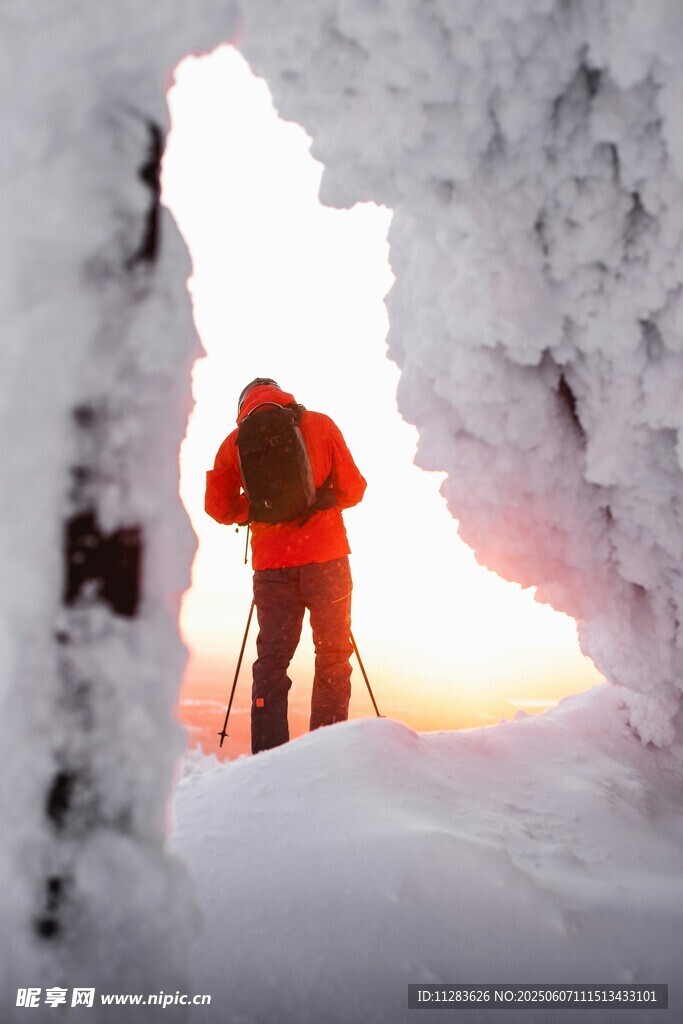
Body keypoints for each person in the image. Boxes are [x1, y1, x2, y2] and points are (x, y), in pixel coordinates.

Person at [205, 378, 367, 754]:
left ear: (244, 406)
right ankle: (325, 749)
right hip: (326, 560)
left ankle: (269, 756)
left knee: (272, 662)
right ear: (284, 397)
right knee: (332, 653)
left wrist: (259, 510)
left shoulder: (234, 442)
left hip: (272, 568)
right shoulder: (320, 424)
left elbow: (218, 507)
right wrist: (319, 502)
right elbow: (354, 488)